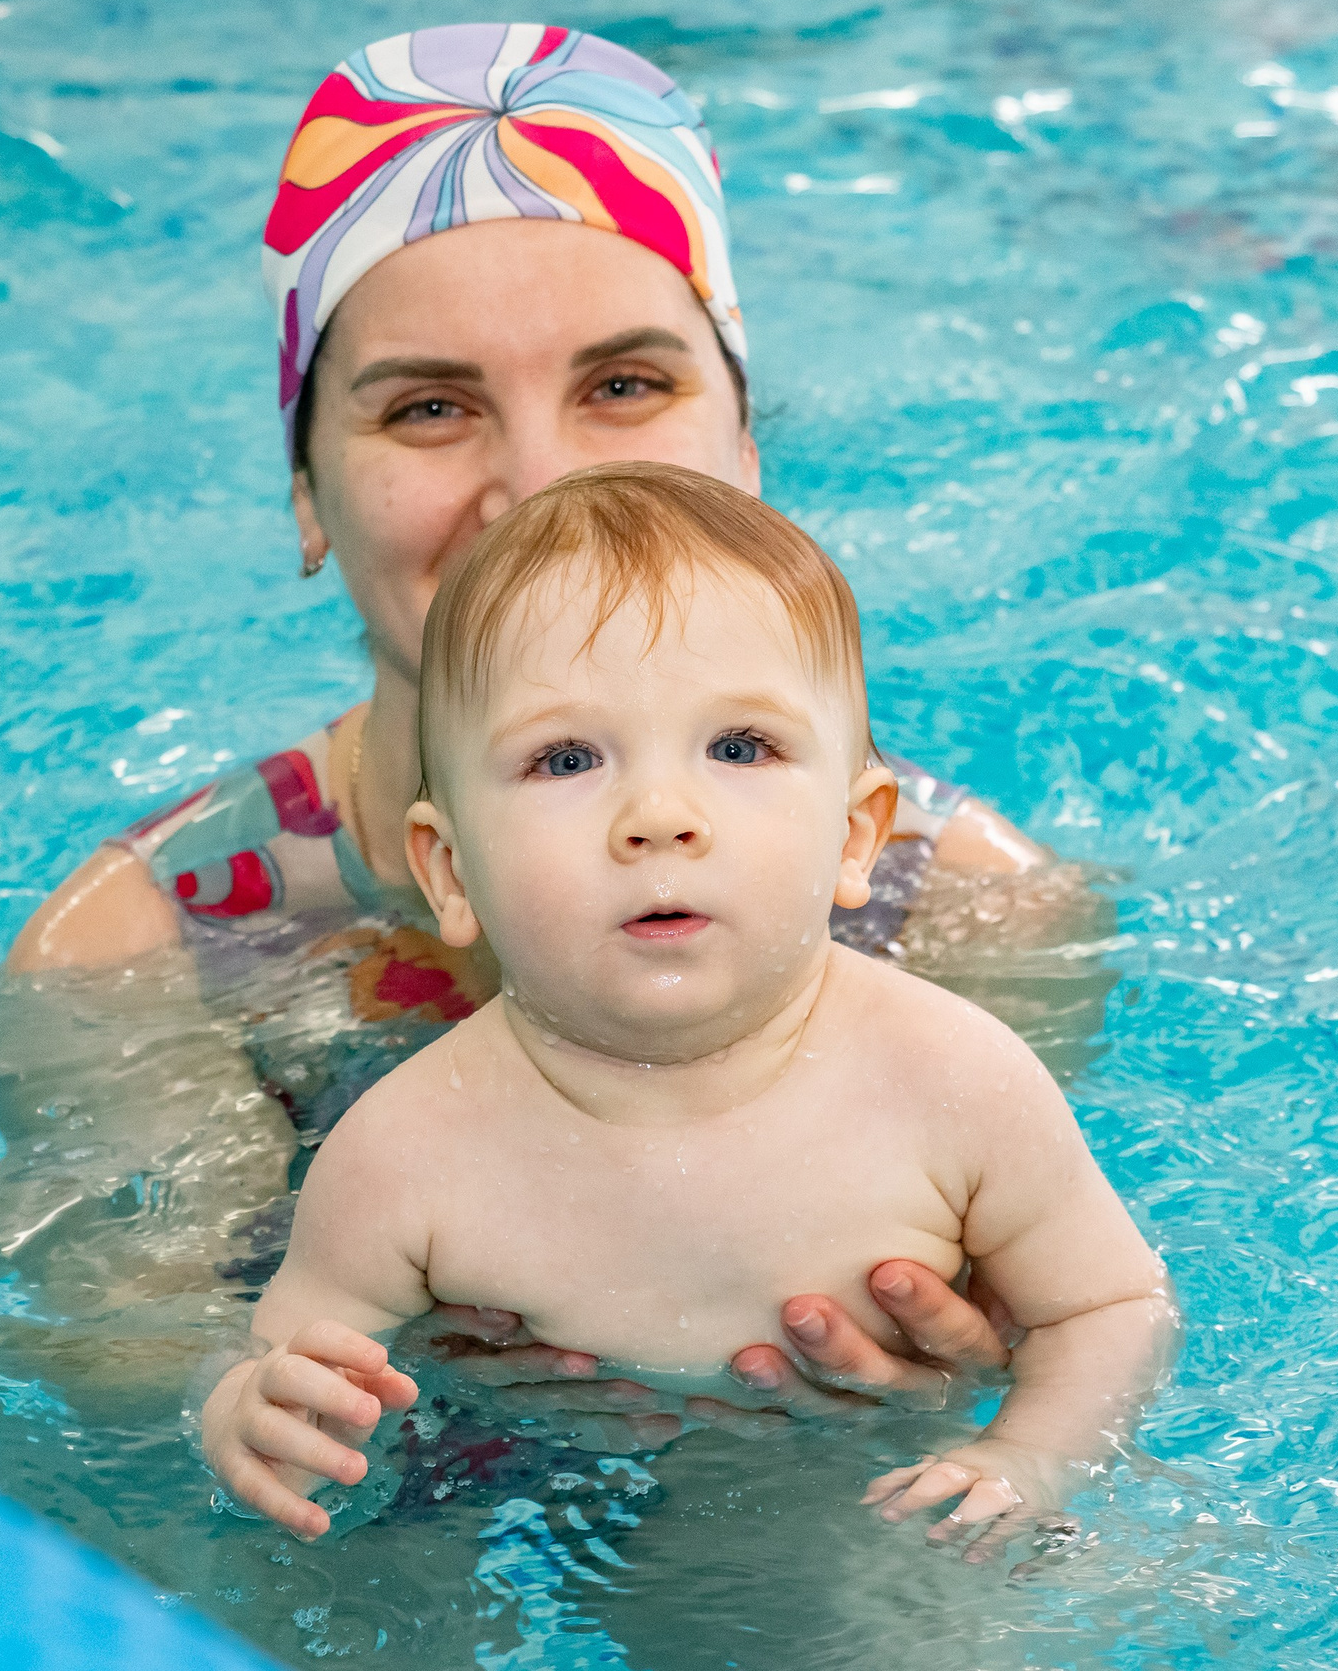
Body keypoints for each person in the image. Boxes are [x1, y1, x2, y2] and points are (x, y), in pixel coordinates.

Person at [0, 21, 1102, 1441]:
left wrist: (960, 1363)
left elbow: (1069, 1309)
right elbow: (98, 1361)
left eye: (624, 387)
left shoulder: (967, 915)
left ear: (745, 453)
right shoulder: (154, 954)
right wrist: (284, 1383)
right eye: (431, 407)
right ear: (310, 494)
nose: (537, 482)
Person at [199, 463, 1173, 1559]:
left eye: (739, 748)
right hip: (527, 1505)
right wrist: (246, 1418)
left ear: (858, 836)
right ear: (449, 869)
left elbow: (1107, 1307)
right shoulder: (405, 1154)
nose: (659, 817)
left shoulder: (949, 1079)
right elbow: (278, 1366)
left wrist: (1028, 1457)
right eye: (565, 758)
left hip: (869, 1514)